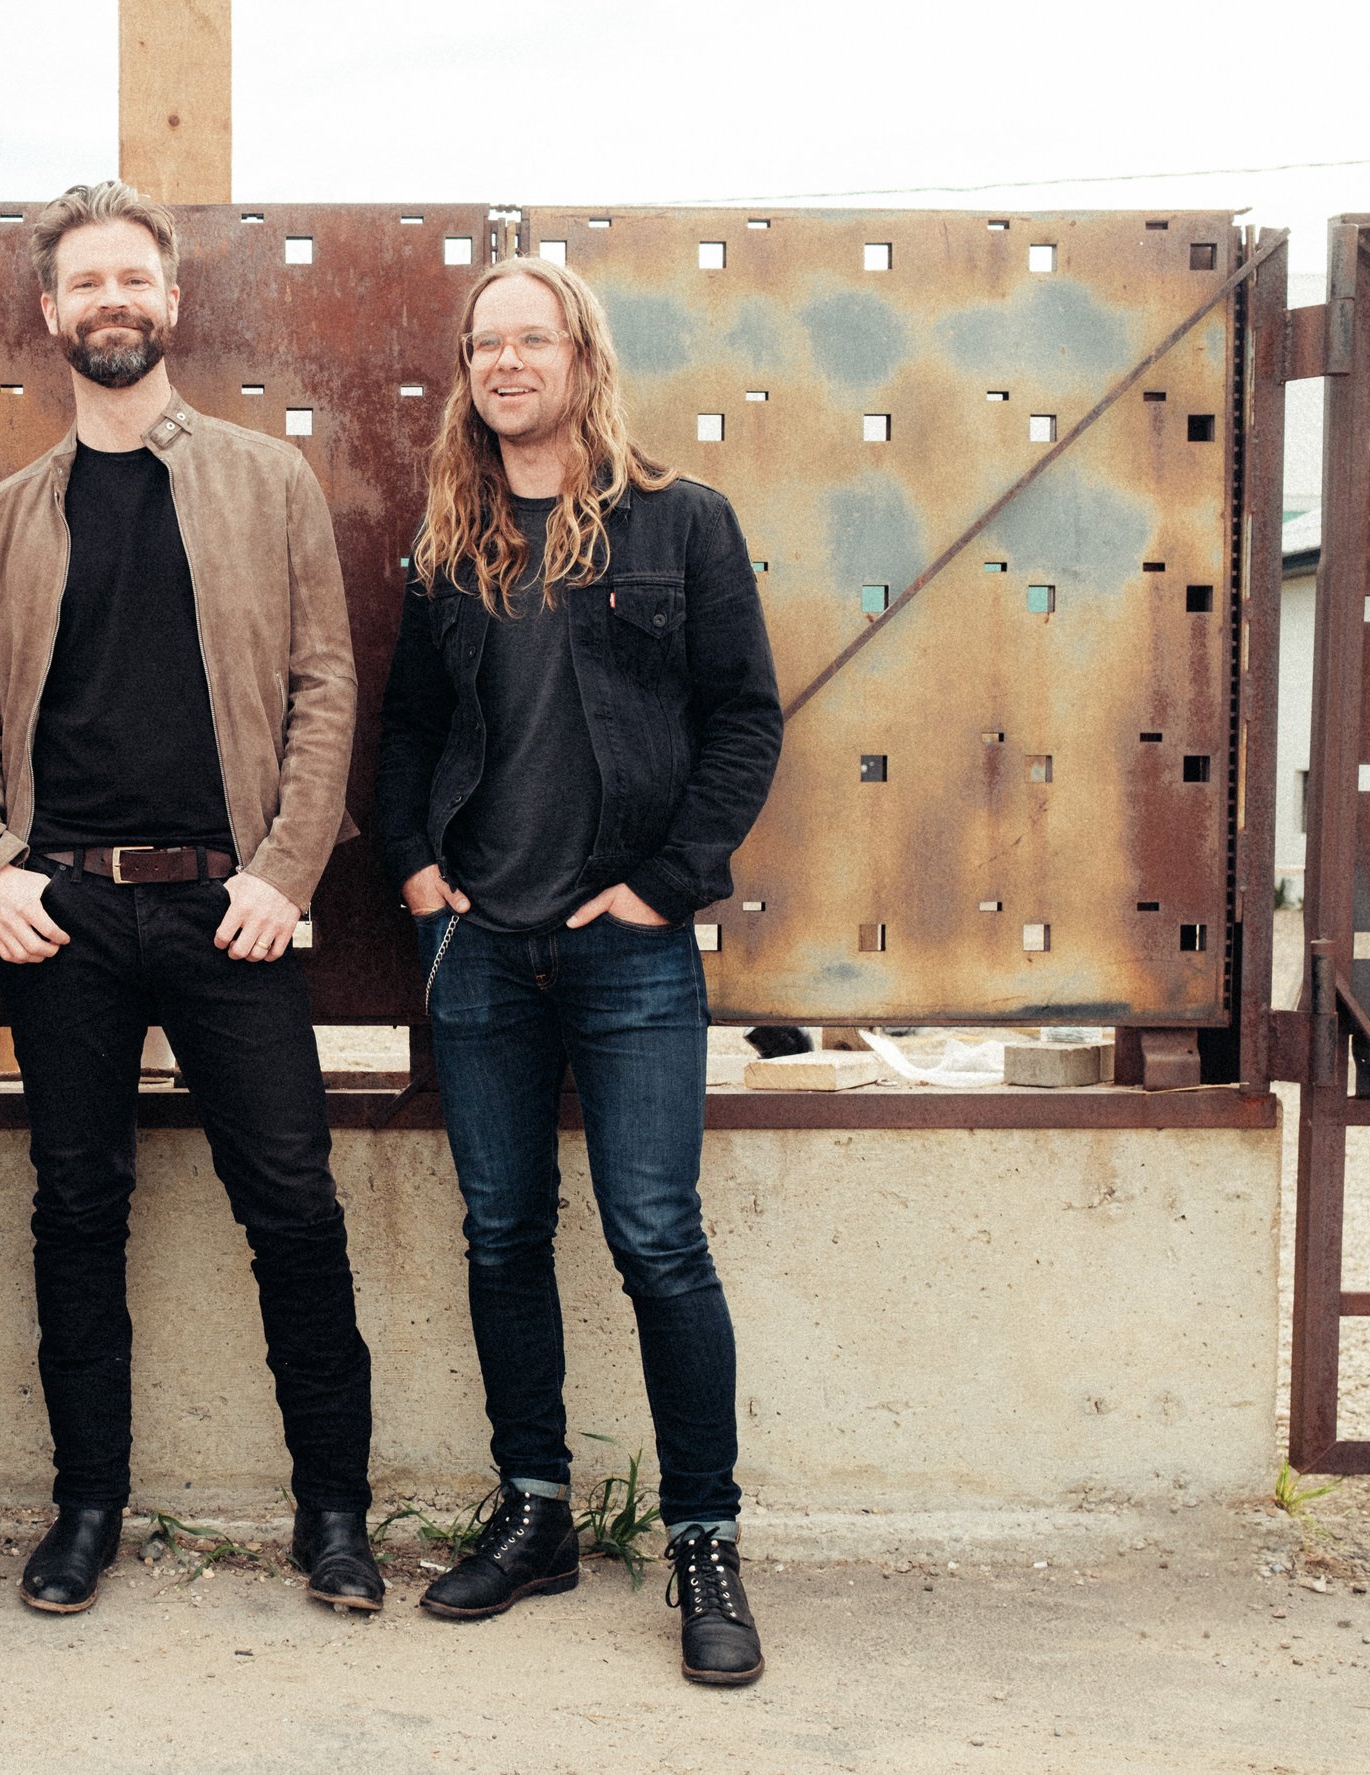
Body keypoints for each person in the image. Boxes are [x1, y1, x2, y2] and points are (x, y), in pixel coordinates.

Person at [0, 181, 380, 1615]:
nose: (111, 300)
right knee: (76, 1212)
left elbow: (325, 686)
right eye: (86, 283)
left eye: (134, 277)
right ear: (51, 314)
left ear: (171, 303)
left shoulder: (269, 481)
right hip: (63, 918)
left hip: (229, 907)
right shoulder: (10, 515)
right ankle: (86, 1508)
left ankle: (333, 1514)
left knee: (296, 1212)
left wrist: (285, 873)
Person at [373, 256, 782, 1684]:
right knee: (501, 1231)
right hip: (480, 948)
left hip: (630, 957)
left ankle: (703, 1540)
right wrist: (419, 869)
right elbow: (410, 728)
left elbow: (745, 723)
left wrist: (663, 890)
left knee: (657, 1236)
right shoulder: (449, 543)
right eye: (483, 344)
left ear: (581, 358)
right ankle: (536, 1512)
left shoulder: (683, 528)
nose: (503, 363)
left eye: (528, 340)